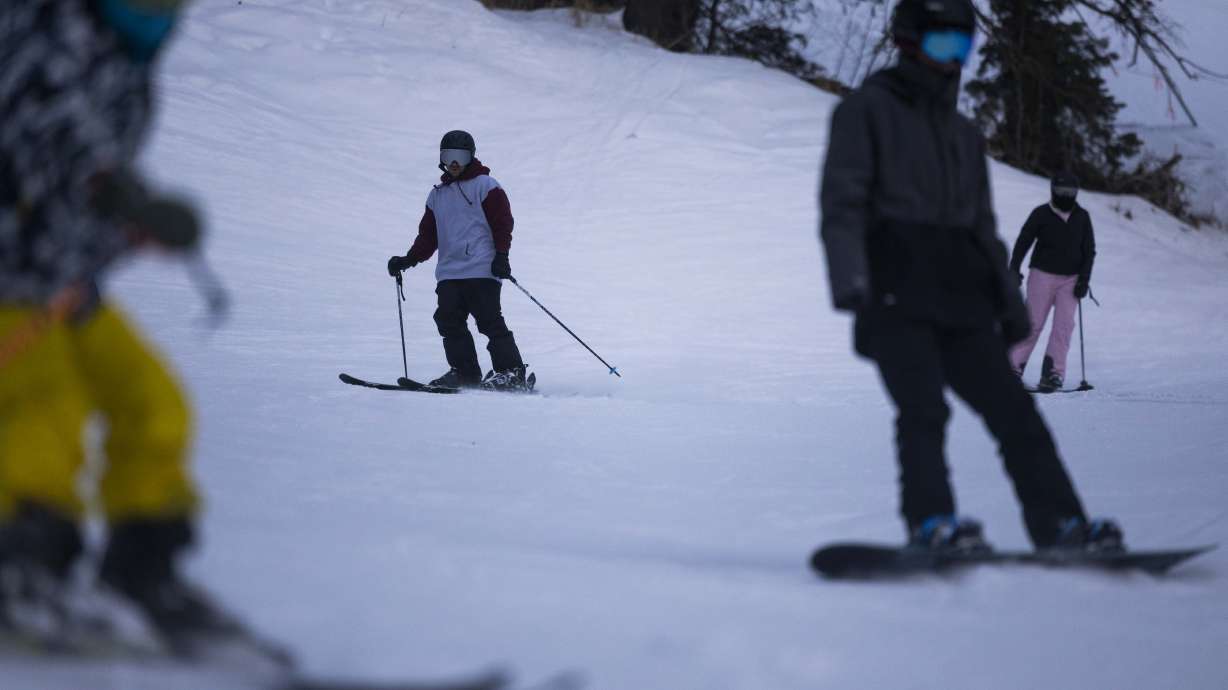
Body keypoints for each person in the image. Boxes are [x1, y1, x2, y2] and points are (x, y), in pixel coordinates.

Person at [818, 0, 1122, 552]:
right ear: (909, 42)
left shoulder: (962, 134)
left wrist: (1007, 301)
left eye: (962, 47)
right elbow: (841, 204)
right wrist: (851, 281)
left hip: (961, 298)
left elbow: (983, 229)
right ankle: (932, 524)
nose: (951, 59)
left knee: (1016, 414)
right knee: (923, 411)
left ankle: (1061, 526)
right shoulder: (866, 112)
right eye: (941, 45)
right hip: (894, 292)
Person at [0, 0, 238, 647]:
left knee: (153, 403)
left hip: (57, 283)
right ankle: (20, 565)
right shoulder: (45, 26)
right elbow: (40, 123)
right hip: (8, 278)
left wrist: (129, 219)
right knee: (44, 407)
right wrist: (112, 188)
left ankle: (141, 571)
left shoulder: (128, 58)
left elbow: (88, 165)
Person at [387, 130, 531, 391]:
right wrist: (408, 260)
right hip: (450, 273)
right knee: (448, 320)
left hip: (482, 268)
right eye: (448, 156)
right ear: (441, 158)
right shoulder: (437, 195)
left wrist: (502, 255)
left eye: (460, 156)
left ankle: (512, 373)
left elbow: (503, 223)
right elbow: (428, 237)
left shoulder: (486, 186)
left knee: (489, 321)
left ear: (471, 157)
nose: (454, 162)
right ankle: (465, 373)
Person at [1008, 172, 1096, 392]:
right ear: (1053, 190)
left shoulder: (1082, 217)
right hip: (1042, 275)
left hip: (1071, 279)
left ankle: (1053, 374)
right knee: (1033, 323)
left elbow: (1089, 251)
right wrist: (1014, 268)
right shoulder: (1041, 214)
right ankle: (1012, 369)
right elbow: (1023, 241)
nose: (1065, 196)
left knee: (1063, 327)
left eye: (1070, 192)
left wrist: (1084, 279)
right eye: (1061, 191)